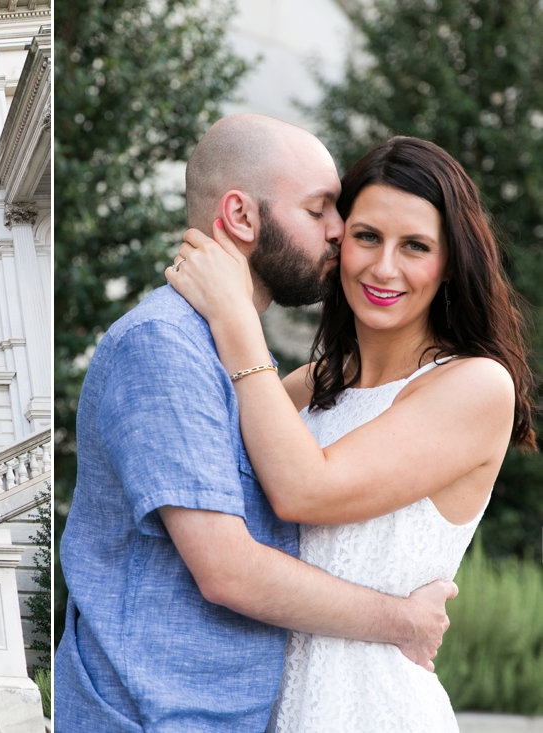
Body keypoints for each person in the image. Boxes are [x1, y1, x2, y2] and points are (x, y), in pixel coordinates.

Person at [54, 115, 458, 732]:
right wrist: (403, 620)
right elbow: (227, 569)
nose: (339, 232)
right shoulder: (166, 345)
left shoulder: (242, 356)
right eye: (320, 210)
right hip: (154, 716)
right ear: (242, 216)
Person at [166, 135, 533, 731]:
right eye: (367, 237)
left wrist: (234, 318)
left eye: (415, 246)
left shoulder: (476, 386)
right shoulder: (311, 384)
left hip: (373, 706)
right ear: (338, 243)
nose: (384, 267)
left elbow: (304, 490)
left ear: (450, 265)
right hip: (264, 702)